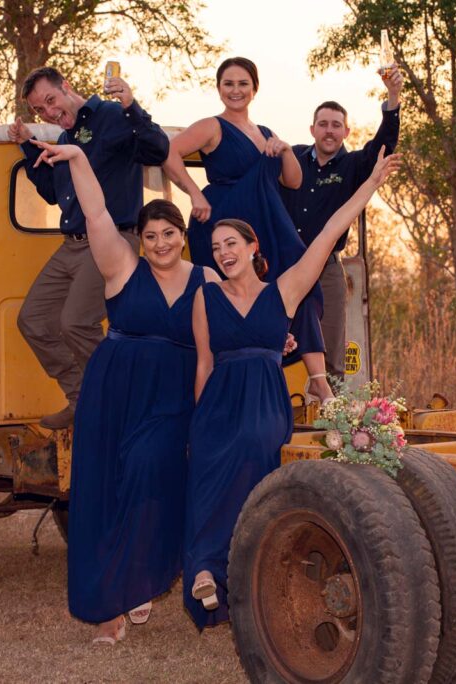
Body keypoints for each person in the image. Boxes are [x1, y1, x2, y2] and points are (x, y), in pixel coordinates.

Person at [183, 149, 402, 630]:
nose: (222, 252)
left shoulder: (283, 291)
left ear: (251, 245)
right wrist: (195, 424)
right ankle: (204, 569)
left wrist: (370, 186)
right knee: (208, 479)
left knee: (255, 471)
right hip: (218, 403)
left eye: (230, 243)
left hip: (264, 401)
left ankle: (247, 580)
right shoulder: (205, 296)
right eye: (215, 246)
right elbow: (202, 363)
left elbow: (327, 235)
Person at [29, 140, 219, 645]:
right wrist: (77, 158)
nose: (160, 243)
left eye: (169, 234)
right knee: (106, 493)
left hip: (173, 397)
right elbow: (95, 212)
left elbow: (244, 313)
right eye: (152, 235)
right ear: (142, 239)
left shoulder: (207, 279)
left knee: (149, 470)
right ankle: (113, 605)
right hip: (113, 392)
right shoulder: (121, 267)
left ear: (184, 235)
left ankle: (140, 577)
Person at [162, 57, 334, 404]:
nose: (236, 90)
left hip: (267, 222)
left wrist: (284, 148)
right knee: (231, 303)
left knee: (300, 287)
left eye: (243, 84)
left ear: (254, 89)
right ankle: (232, 381)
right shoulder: (212, 126)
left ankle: (317, 379)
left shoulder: (268, 133)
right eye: (228, 83)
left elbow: (294, 180)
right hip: (226, 219)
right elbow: (169, 153)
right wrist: (194, 193)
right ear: (219, 88)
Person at [7, 66, 170, 429]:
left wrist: (130, 103)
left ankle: (120, 401)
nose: (48, 112)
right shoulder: (66, 136)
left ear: (66, 87)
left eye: (50, 100)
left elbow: (157, 148)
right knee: (32, 320)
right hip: (71, 244)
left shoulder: (110, 116)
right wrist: (25, 142)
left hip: (111, 240)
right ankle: (82, 398)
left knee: (75, 322)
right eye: (39, 110)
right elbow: (52, 193)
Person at [280, 69, 403, 379]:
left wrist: (393, 97)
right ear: (312, 129)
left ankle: (330, 416)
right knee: (276, 341)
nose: (329, 131)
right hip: (285, 265)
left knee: (331, 347)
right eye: (323, 124)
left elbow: (384, 145)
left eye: (336, 125)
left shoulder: (354, 165)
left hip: (327, 270)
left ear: (347, 131)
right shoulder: (292, 158)